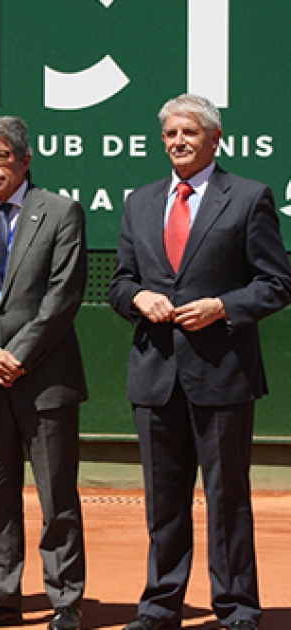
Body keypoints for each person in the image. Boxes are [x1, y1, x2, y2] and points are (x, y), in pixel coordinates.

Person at [108, 93, 291, 630]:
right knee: (164, 502)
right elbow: (120, 281)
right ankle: (160, 605)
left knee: (226, 497)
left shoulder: (250, 197)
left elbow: (277, 283)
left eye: (189, 132)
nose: (178, 142)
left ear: (215, 139)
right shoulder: (140, 202)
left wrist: (224, 307)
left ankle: (236, 607)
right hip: (155, 374)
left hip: (222, 374)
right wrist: (137, 299)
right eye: (170, 134)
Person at [0, 117, 87, 630]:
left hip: (45, 380)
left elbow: (63, 296)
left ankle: (65, 599)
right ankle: (0, 595)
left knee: (57, 496)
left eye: (0, 157)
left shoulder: (61, 212)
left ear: (24, 160)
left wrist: (16, 354)